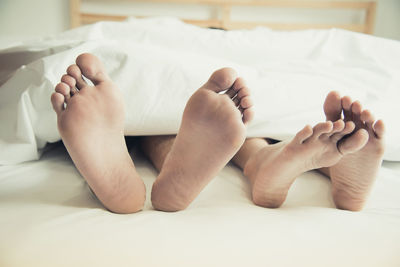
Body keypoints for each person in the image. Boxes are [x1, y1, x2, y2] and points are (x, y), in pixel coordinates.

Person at [50, 53, 385, 214]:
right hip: (246, 120)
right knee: (243, 130)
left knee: (156, 122)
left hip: (157, 112)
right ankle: (263, 162)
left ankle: (123, 162)